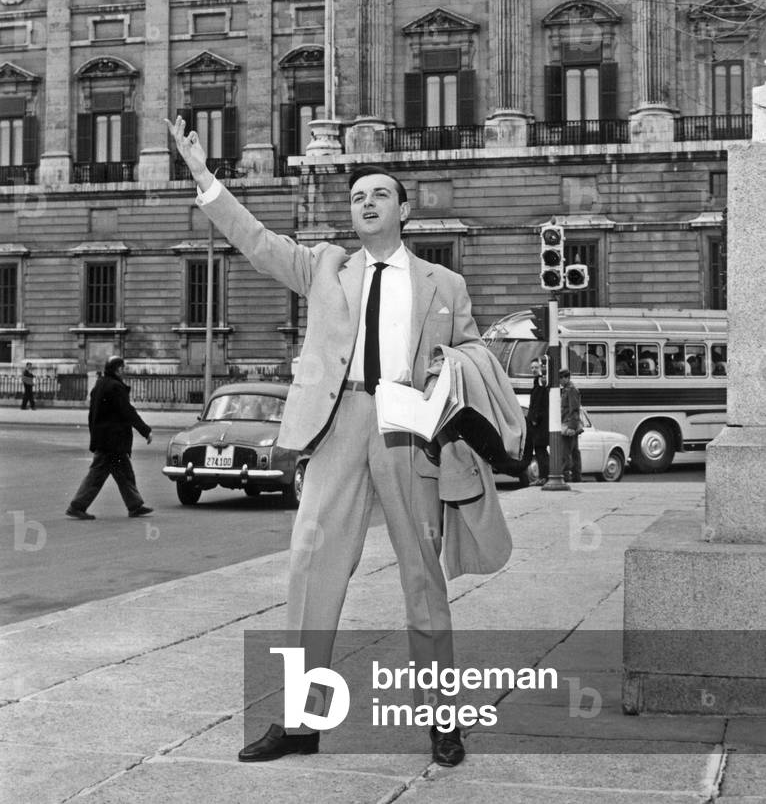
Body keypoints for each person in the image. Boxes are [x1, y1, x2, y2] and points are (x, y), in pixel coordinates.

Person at [168, 116, 523, 768]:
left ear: (403, 208)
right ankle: (301, 721)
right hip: (338, 427)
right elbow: (259, 243)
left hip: (407, 432)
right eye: (358, 196)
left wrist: (451, 368)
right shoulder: (326, 265)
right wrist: (205, 179)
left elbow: (474, 349)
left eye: (379, 194)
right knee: (311, 571)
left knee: (423, 579)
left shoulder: (446, 285)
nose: (366, 204)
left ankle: (443, 721)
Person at [66, 356, 154, 520]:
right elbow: (128, 412)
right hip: (112, 442)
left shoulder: (100, 384)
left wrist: (95, 435)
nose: (124, 370)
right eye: (123, 368)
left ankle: (135, 505)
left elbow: (92, 414)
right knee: (97, 475)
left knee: (125, 474)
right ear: (117, 369)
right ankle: (76, 506)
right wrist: (145, 431)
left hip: (107, 440)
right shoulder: (115, 387)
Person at [522, 357, 549, 487]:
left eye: (536, 367)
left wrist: (533, 419)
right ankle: (545, 476)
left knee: (540, 450)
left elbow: (538, 403)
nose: (533, 370)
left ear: (541, 368)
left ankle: (544, 477)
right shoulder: (537, 382)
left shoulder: (540, 383)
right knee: (541, 451)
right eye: (532, 368)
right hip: (540, 424)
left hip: (539, 424)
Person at [560, 368, 583, 483]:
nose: (560, 381)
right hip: (567, 424)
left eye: (561, 378)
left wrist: (571, 427)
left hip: (568, 425)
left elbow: (574, 409)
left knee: (567, 452)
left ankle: (568, 476)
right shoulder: (566, 390)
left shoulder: (570, 390)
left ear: (566, 378)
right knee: (573, 452)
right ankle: (576, 476)